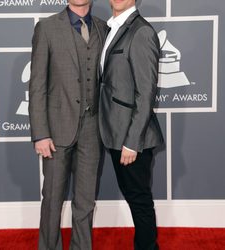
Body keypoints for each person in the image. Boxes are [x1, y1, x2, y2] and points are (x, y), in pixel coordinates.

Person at [28, 1, 106, 249]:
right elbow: (37, 84)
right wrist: (40, 133)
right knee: (52, 200)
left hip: (92, 129)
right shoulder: (47, 28)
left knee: (85, 202)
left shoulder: (104, 29)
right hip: (56, 129)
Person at [99, 0, 164, 249]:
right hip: (114, 132)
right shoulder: (110, 28)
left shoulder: (141, 31)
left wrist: (132, 142)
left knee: (139, 200)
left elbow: (145, 93)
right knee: (135, 197)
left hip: (132, 139)